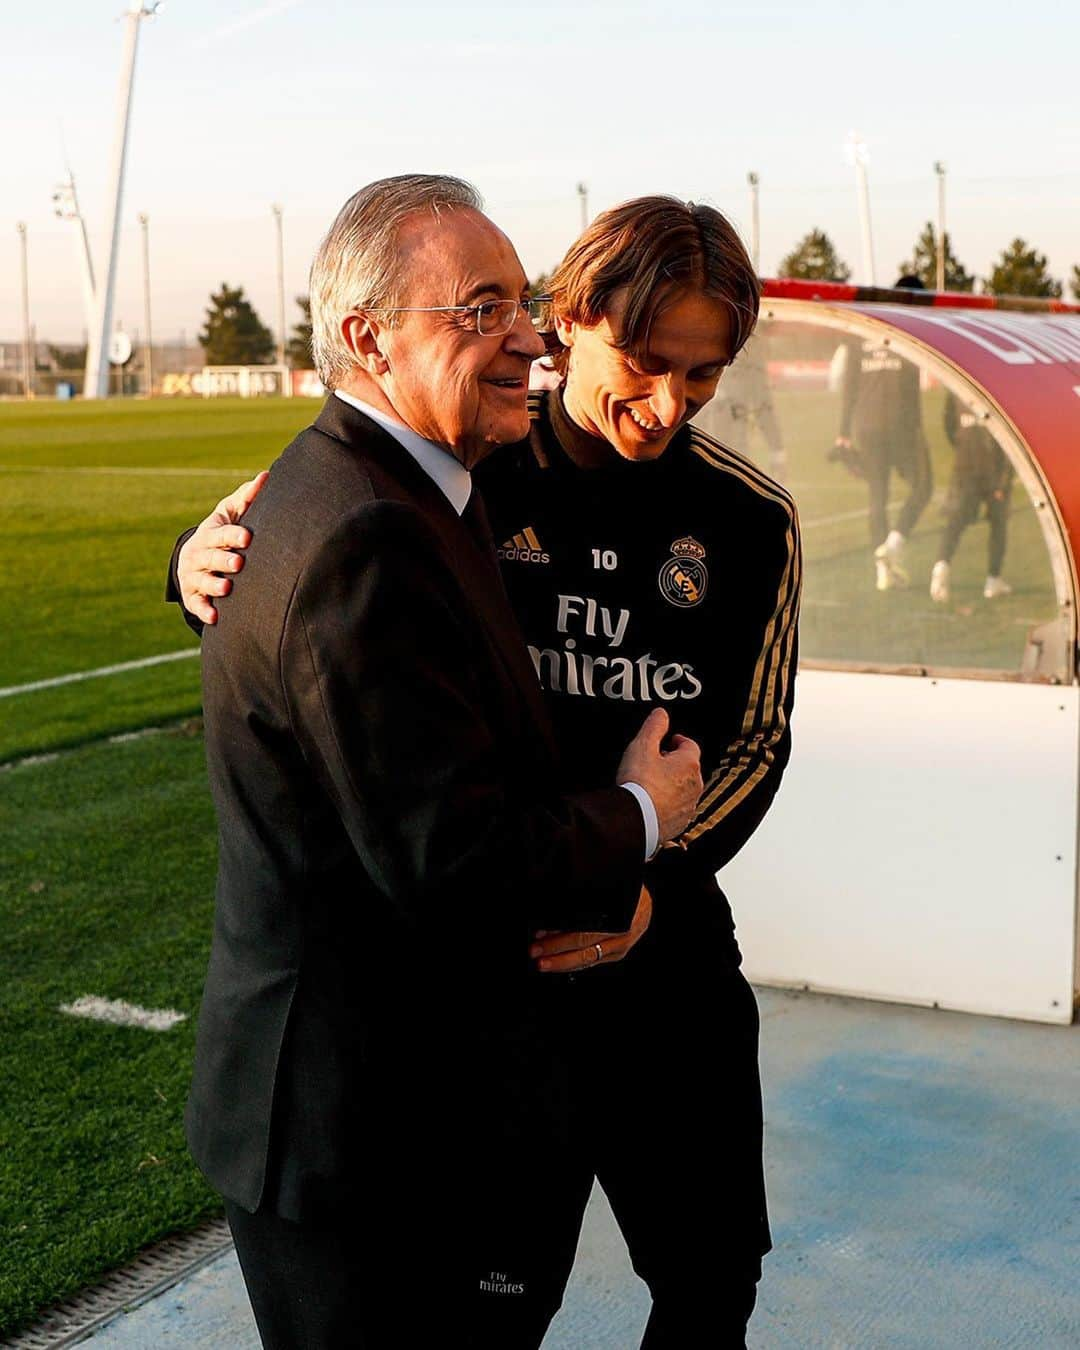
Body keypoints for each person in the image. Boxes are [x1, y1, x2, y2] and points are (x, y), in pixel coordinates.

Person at [172, 194, 801, 1347]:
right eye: (646, 362)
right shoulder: (472, 464)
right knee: (500, 1303)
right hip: (499, 983)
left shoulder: (751, 519)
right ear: (577, 320)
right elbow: (319, 563)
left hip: (664, 953)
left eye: (703, 378)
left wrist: (649, 889)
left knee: (712, 1281)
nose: (667, 406)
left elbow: (756, 738)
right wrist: (193, 558)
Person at [830, 274, 933, 590]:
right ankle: (893, 546)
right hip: (900, 421)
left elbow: (850, 385)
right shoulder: (906, 327)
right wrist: (917, 428)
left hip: (867, 424)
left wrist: (844, 431)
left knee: (878, 494)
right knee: (923, 485)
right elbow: (911, 386)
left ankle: (883, 573)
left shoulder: (862, 328)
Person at [929, 392, 1014, 603]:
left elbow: (949, 424)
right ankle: (993, 580)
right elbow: (1013, 436)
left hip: (965, 464)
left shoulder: (959, 384)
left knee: (956, 522)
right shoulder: (1002, 387)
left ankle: (941, 564)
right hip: (994, 466)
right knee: (998, 523)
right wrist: (1004, 480)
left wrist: (962, 447)